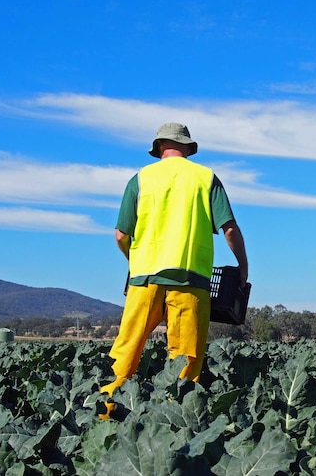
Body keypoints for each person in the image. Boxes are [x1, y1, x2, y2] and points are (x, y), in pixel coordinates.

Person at [100, 122, 248, 413]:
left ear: (158, 148)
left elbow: (120, 234)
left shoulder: (140, 178)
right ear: (188, 147)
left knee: (125, 351)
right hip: (190, 281)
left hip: (144, 281)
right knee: (185, 359)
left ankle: (104, 414)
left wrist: (135, 259)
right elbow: (229, 229)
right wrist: (242, 266)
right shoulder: (206, 178)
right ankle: (175, 425)